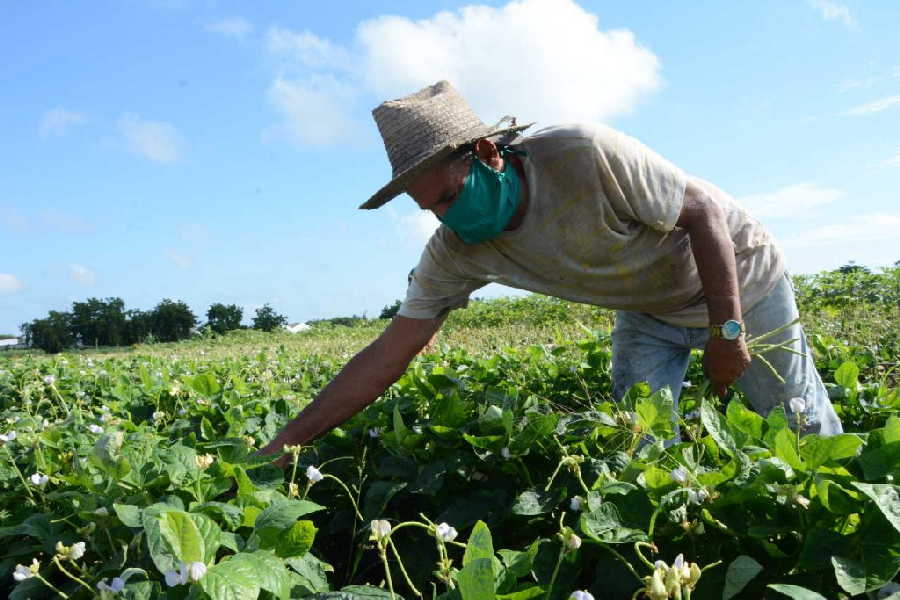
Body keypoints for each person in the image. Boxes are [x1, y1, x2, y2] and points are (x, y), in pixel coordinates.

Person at [260, 81, 842, 464]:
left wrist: (727, 333)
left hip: (740, 279)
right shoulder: (457, 251)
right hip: (645, 309)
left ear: (488, 152)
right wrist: (287, 441)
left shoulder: (580, 152)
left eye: (451, 194)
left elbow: (704, 214)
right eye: (431, 207)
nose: (447, 216)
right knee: (639, 447)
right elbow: (391, 352)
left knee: (799, 429)